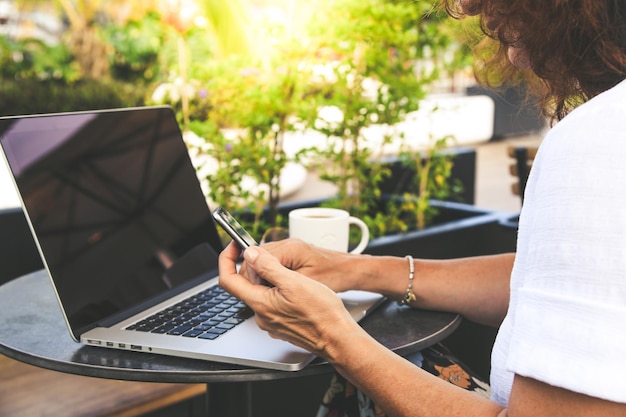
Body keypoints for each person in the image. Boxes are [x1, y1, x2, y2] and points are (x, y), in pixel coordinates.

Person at [218, 0, 626, 415]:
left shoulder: (602, 138)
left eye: (507, 14)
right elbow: (551, 284)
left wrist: (330, 335)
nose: (509, 50)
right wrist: (358, 270)